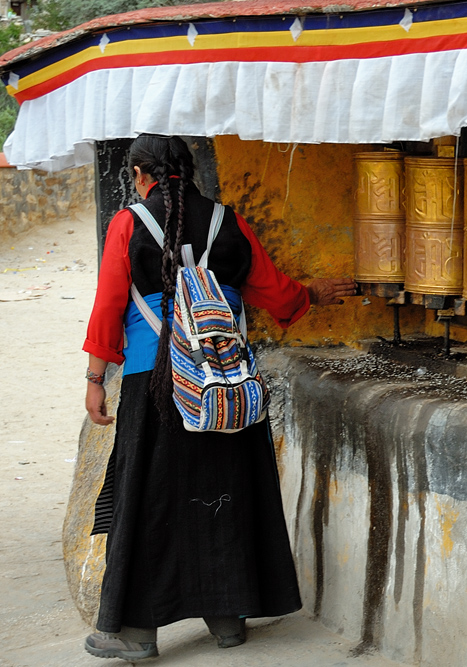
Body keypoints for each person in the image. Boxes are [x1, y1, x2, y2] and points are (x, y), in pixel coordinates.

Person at [82, 135, 356, 661]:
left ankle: (137, 633)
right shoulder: (226, 221)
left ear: (141, 175)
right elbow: (272, 289)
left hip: (154, 383)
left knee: (149, 500)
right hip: (224, 384)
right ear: (189, 172)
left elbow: (108, 306)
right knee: (224, 489)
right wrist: (312, 295)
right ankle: (228, 620)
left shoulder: (127, 224)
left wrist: (96, 379)